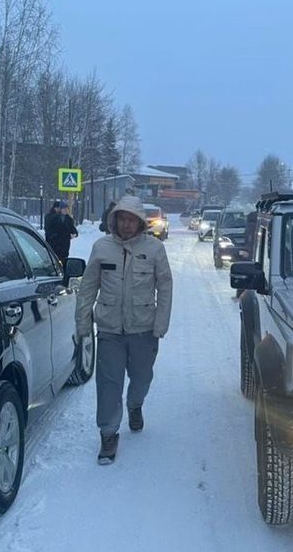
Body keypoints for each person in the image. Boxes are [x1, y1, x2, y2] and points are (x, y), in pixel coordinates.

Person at [75, 195, 173, 465]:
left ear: (140, 223)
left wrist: (161, 322)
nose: (127, 225)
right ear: (114, 219)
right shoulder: (101, 247)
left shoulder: (153, 249)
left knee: (142, 378)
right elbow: (88, 287)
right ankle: (108, 433)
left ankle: (135, 404)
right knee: (108, 382)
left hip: (143, 328)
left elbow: (164, 286)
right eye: (122, 219)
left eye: (132, 220)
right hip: (109, 329)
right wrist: (83, 321)